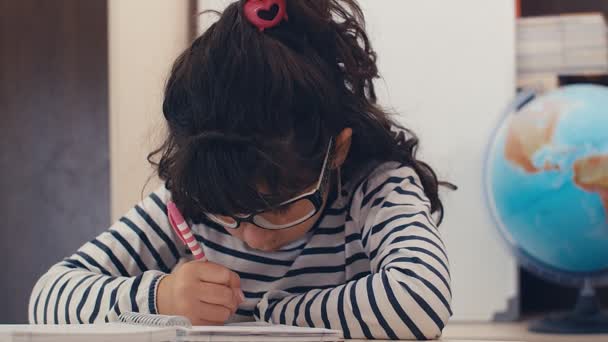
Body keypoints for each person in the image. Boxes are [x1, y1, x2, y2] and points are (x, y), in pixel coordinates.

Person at [29, 0, 454, 339]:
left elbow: (419, 300)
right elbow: (48, 298)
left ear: (336, 152)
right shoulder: (193, 201)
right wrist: (162, 297)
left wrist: (272, 312)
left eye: (281, 209)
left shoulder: (374, 188)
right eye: (228, 214)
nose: (252, 236)